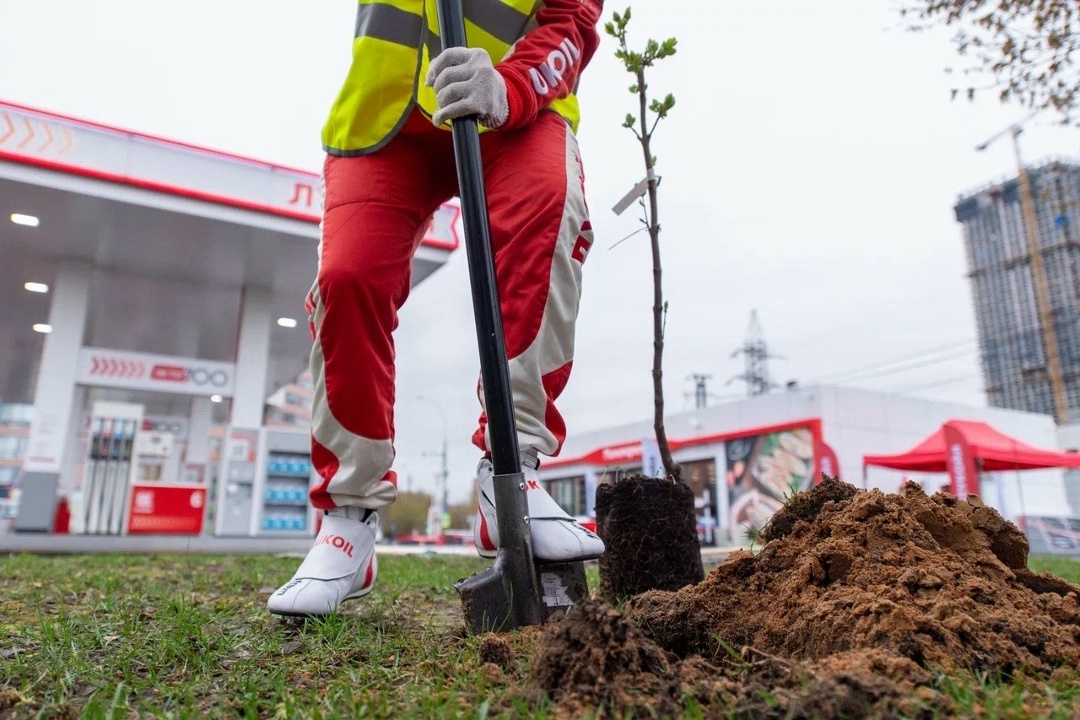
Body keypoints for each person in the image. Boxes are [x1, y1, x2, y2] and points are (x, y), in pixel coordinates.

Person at [268, 0, 606, 617]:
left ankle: (510, 474)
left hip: (508, 97)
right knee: (349, 279)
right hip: (385, 118)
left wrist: (510, 85)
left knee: (548, 207)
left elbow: (572, 22)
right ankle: (348, 518)